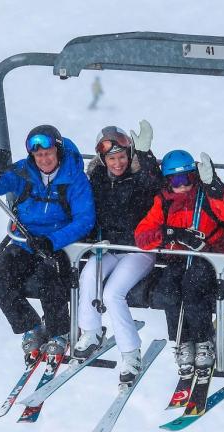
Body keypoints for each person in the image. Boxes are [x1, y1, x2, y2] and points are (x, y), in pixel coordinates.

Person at [0, 125, 95, 359]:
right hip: (27, 240)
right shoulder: (24, 172)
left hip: (61, 243)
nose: (44, 159)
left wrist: (52, 241)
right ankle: (31, 326)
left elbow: (85, 220)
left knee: (48, 275)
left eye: (48, 153)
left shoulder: (74, 178)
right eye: (38, 155)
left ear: (58, 151)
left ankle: (60, 331)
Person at [75, 120, 163, 386]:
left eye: (122, 156)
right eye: (112, 158)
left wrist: (146, 155)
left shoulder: (140, 178)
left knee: (113, 293)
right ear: (103, 159)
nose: (118, 163)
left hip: (138, 249)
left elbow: (155, 185)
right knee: (88, 275)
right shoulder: (97, 180)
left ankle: (130, 352)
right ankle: (91, 331)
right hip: (110, 246)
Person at [134, 149, 224, 377]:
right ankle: (181, 342)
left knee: (192, 288)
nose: (182, 185)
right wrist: (172, 233)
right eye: (175, 180)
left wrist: (214, 187)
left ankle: (202, 341)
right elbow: (142, 236)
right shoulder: (163, 201)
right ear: (167, 181)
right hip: (178, 257)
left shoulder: (204, 195)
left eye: (187, 179)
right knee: (168, 290)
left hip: (209, 257)